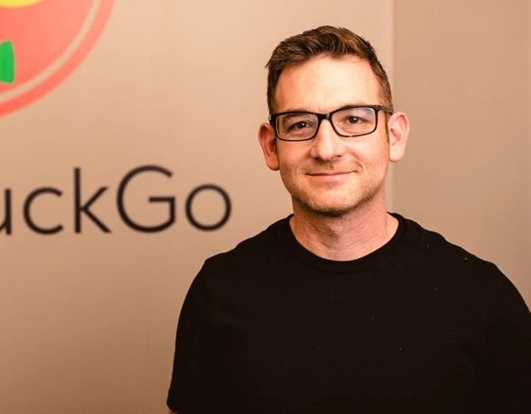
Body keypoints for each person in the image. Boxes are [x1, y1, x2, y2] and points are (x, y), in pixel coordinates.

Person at [167, 26, 531, 413]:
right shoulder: (221, 291)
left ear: (395, 136)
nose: (326, 149)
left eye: (354, 120)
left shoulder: (479, 296)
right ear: (271, 146)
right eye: (300, 124)